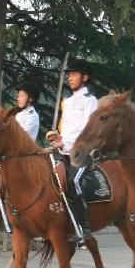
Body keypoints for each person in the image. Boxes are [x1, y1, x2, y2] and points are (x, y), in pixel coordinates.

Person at [47, 59, 98, 247]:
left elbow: (88, 130)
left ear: (85, 77)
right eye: (69, 75)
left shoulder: (90, 100)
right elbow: (65, 128)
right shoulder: (66, 102)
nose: (70, 78)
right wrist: (56, 137)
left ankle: (84, 228)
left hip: (81, 153)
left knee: (74, 181)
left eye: (74, 74)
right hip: (64, 153)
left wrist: (64, 142)